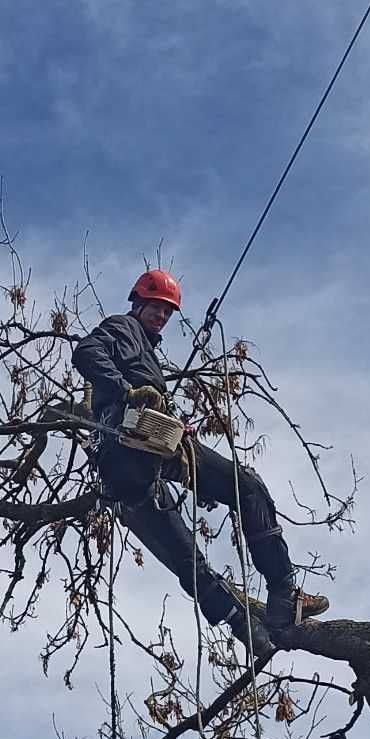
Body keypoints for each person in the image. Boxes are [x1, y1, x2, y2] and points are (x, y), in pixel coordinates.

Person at [74, 268, 327, 651]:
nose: (161, 316)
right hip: (127, 449)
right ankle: (280, 592)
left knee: (191, 554)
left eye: (167, 312)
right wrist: (126, 391)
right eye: (156, 307)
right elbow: (87, 351)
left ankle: (255, 626)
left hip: (145, 458)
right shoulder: (123, 328)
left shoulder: (144, 347)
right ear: (139, 302)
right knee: (246, 489)